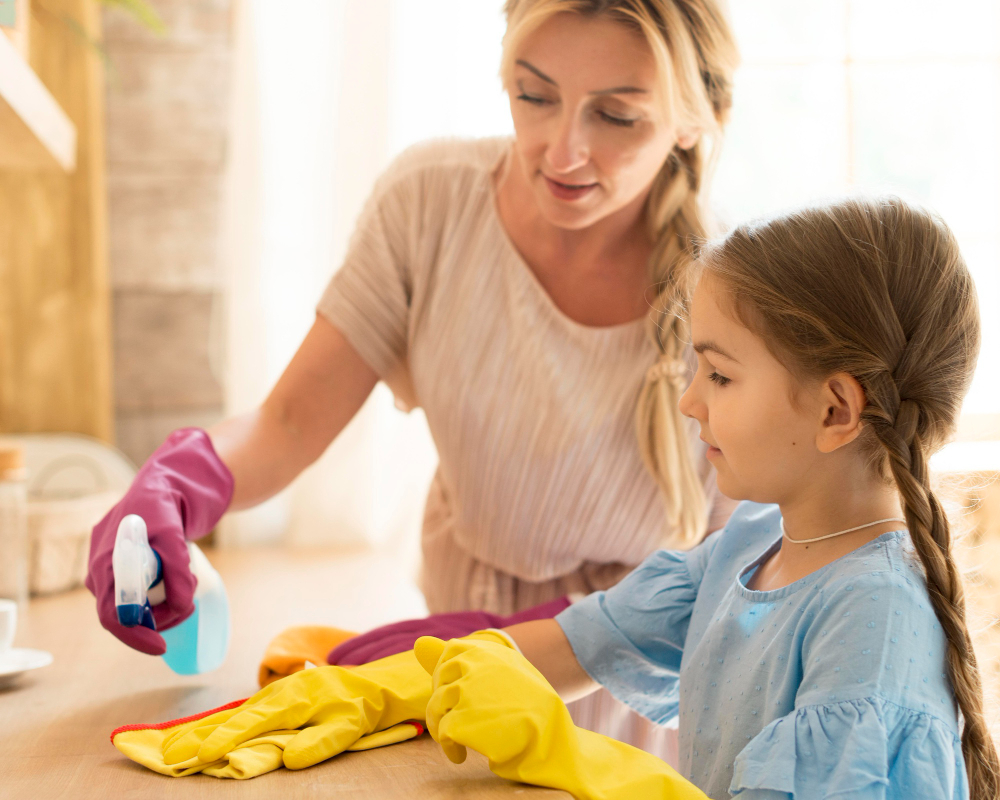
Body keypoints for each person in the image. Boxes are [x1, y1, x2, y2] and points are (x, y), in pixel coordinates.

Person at [115, 195, 997, 799]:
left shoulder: (874, 633)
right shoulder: (753, 546)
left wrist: (565, 752)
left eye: (719, 375)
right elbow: (561, 646)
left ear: (837, 408)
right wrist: (379, 686)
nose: (690, 401)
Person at [86, 0, 741, 760]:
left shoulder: (731, 286)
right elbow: (290, 424)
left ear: (696, 116)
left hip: (628, 683)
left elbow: (748, 568)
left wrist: (560, 637)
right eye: (534, 97)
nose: (563, 151)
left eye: (618, 117)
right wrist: (176, 485)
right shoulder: (430, 203)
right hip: (448, 683)